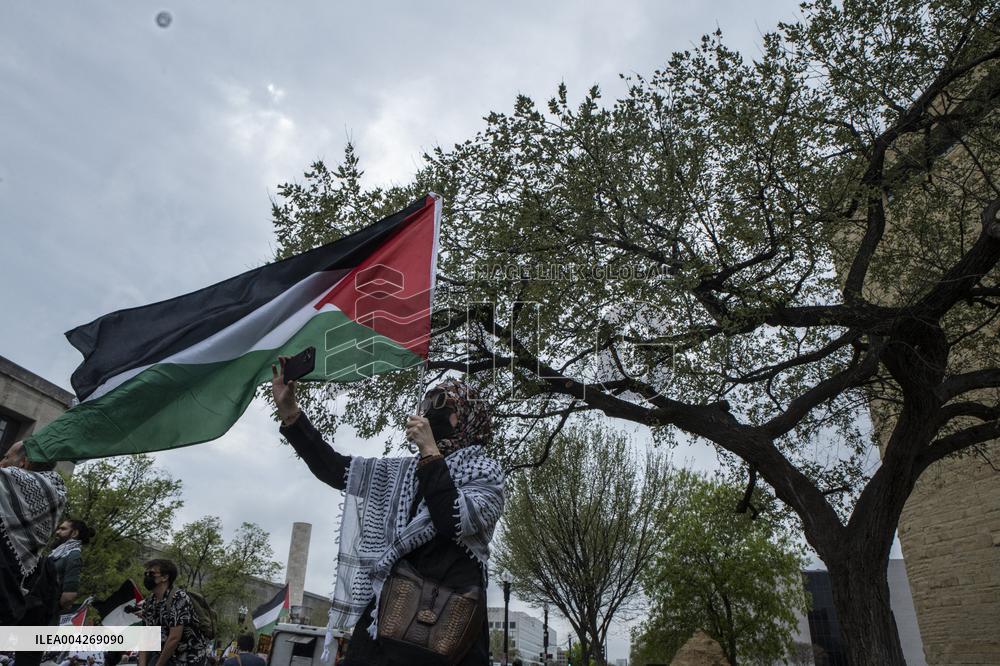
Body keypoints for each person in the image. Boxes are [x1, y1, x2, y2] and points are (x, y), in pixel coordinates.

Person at [272, 360, 505, 666]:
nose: (428, 411)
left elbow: (452, 520)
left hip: (448, 625)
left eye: (441, 404)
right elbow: (335, 469)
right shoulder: (403, 471)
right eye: (427, 402)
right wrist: (291, 414)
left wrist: (431, 455)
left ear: (465, 418)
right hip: (389, 619)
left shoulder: (486, 474)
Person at [1, 441, 67, 666]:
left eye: (7, 457)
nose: (2, 462)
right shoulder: (56, 492)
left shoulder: (8, 485)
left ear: (23, 462)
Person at [137, 559, 208, 666]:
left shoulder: (179, 598)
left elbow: (174, 638)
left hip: (188, 659)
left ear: (165, 577)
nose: (147, 576)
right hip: (165, 656)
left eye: (151, 573)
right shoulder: (149, 602)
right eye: (146, 573)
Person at [50, 518, 94, 613]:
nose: (57, 532)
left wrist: (52, 608)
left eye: (63, 529)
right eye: (58, 529)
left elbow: (69, 597)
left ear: (74, 533)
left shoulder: (74, 556)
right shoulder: (58, 553)